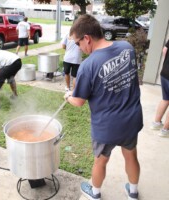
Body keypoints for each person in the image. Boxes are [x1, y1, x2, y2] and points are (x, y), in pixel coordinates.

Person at [64, 14, 143, 200]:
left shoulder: (88, 65)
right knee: (131, 155)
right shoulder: (127, 47)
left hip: (107, 126)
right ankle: (133, 192)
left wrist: (68, 95)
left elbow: (78, 101)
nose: (79, 48)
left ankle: (95, 193)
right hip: (131, 119)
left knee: (100, 161)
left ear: (87, 39)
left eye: (77, 43)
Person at [150, 39, 169, 137]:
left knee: (165, 99)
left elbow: (164, 50)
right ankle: (165, 130)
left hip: (165, 73)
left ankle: (156, 123)